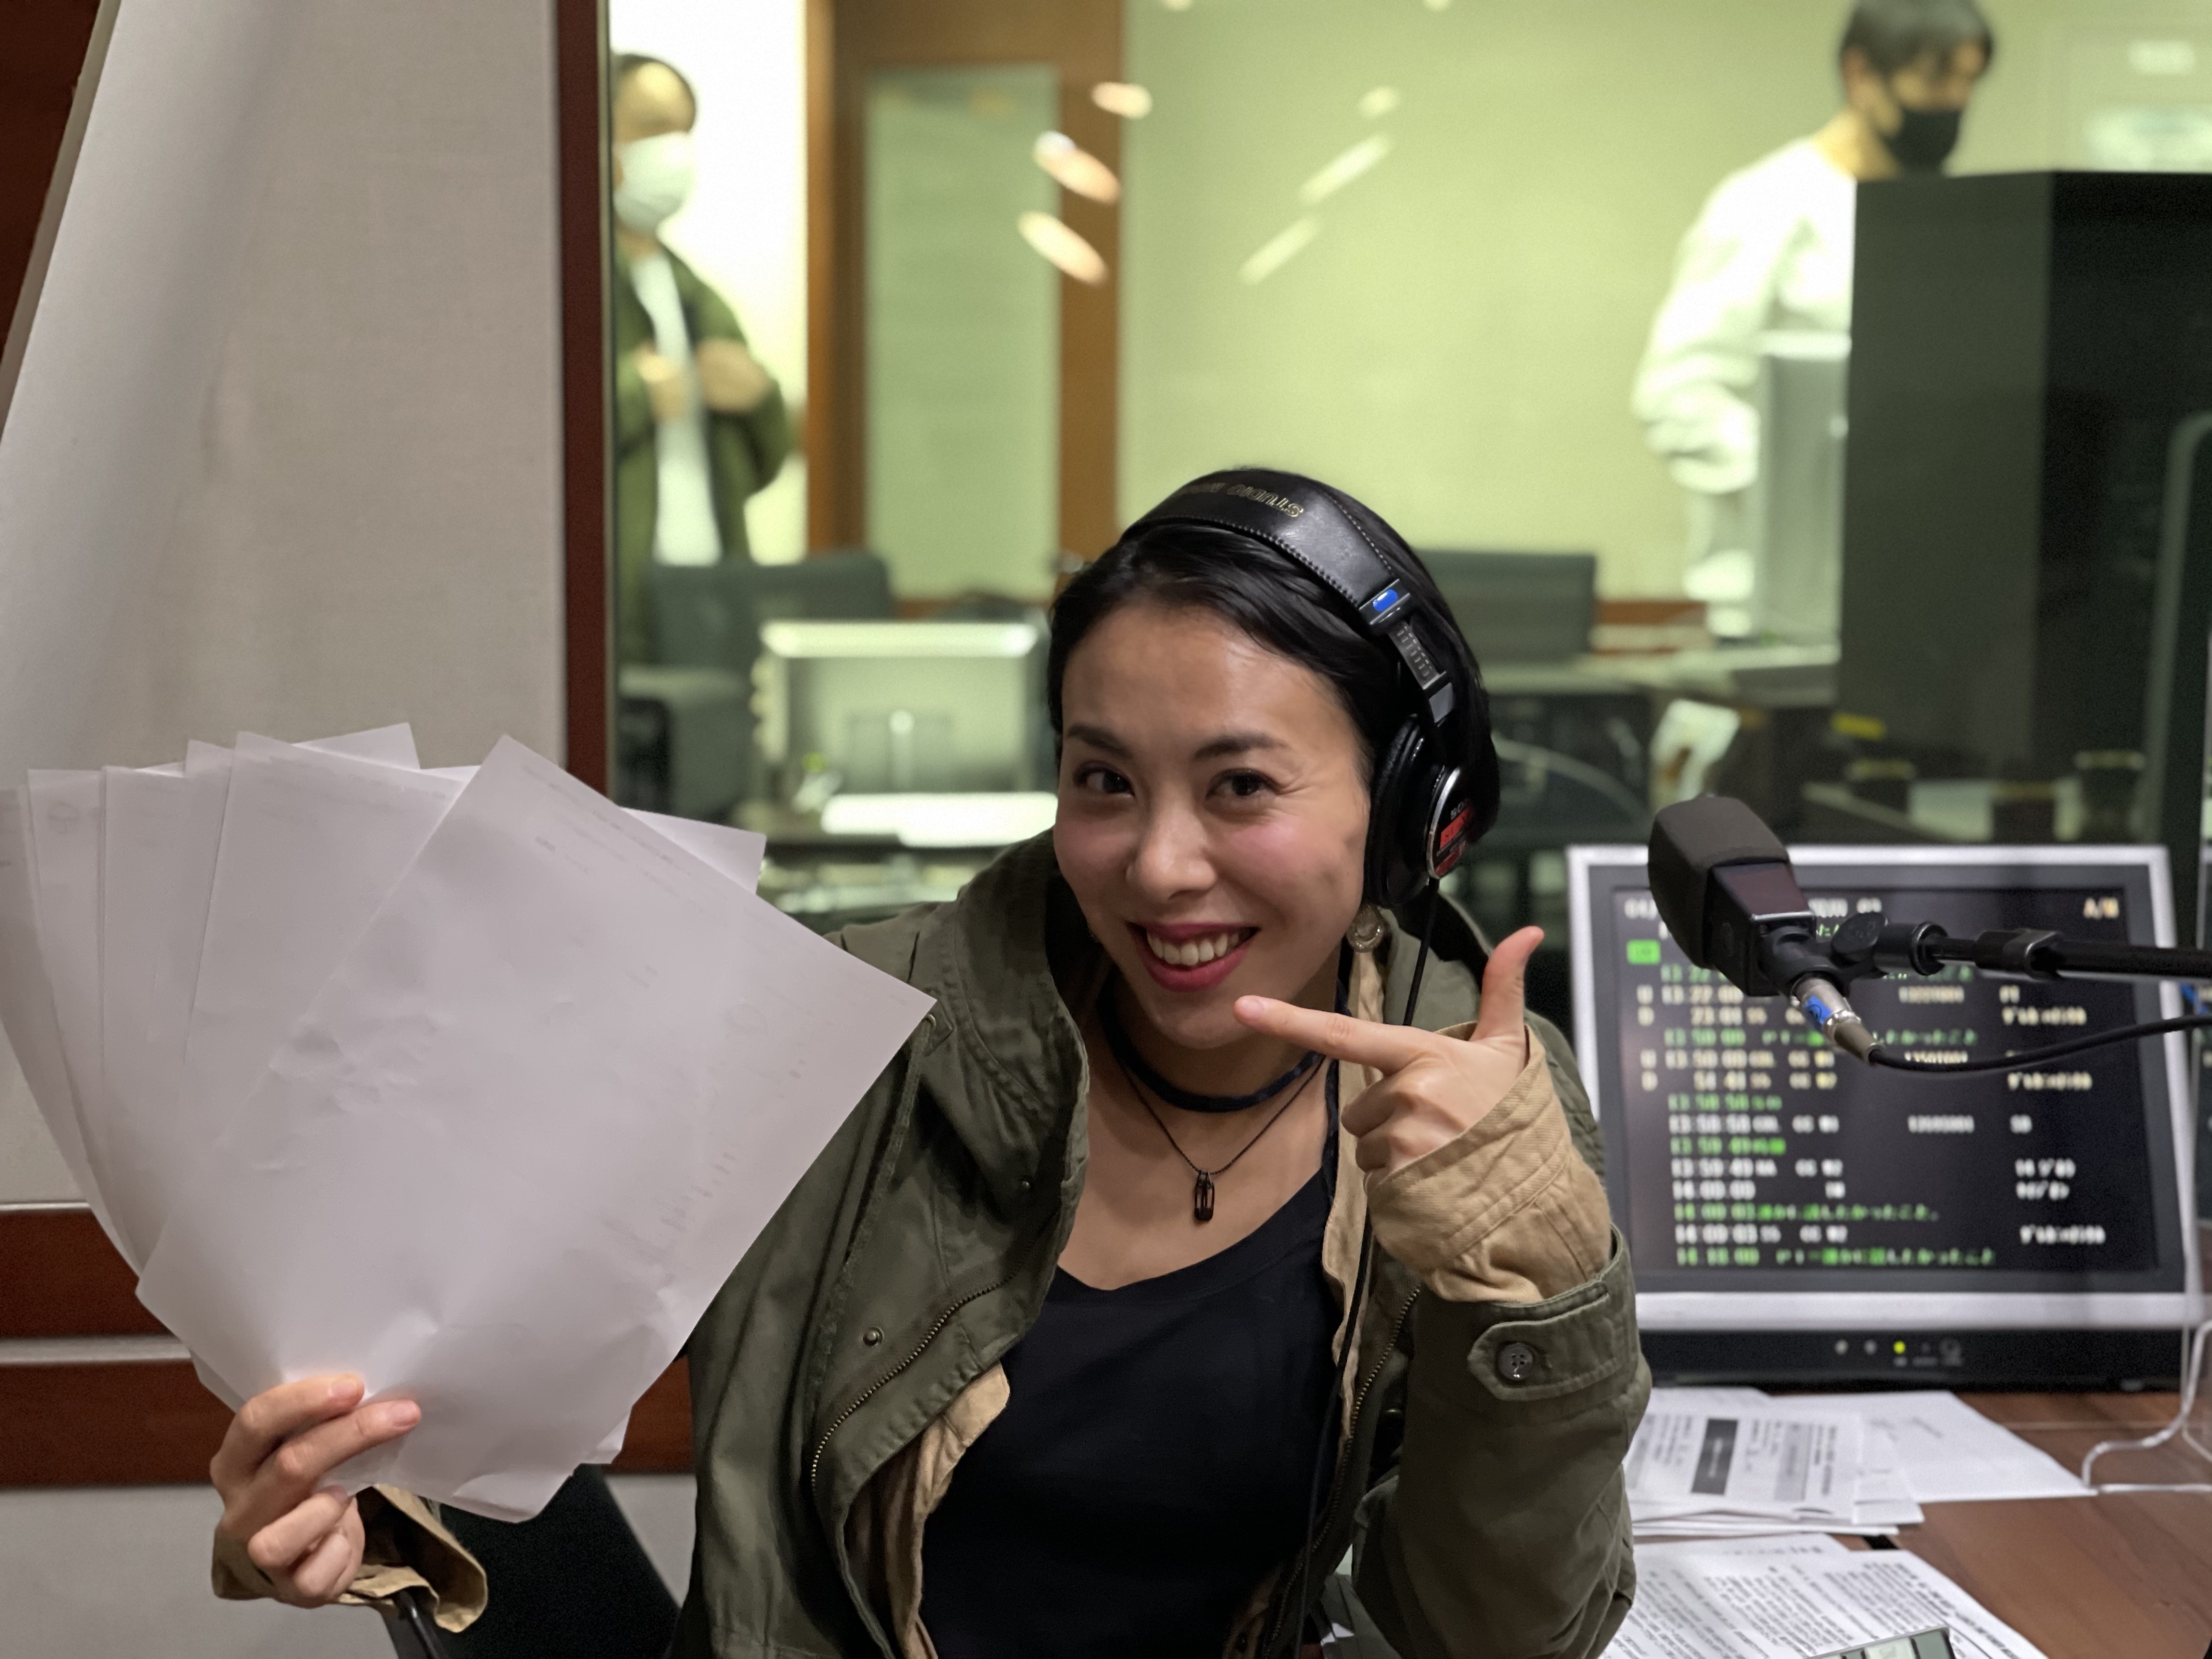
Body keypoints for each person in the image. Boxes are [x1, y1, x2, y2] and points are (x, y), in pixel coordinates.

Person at [203, 470, 1649, 1659]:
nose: (1159, 865)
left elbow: (1494, 1636)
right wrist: (344, 1506)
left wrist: (1534, 1291)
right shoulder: (836, 1028)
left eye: (1241, 787)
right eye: (1104, 781)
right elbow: (462, 1354)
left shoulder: (1475, 1105)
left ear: (1408, 812)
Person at [1632, 0, 1993, 636]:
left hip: (1912, 605)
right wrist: (1814, 482)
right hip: (1774, 616)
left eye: (1969, 81)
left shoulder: (1947, 218)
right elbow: (1675, 397)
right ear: (1861, 74)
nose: (1956, 102)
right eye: (1936, 78)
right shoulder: (1768, 204)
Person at [610, 53, 794, 665]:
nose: (673, 152)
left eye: (683, 131)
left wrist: (761, 400)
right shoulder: (567, 287)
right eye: (651, 127)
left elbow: (764, 463)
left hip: (711, 601)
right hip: (619, 614)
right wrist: (636, 394)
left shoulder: (699, 295)